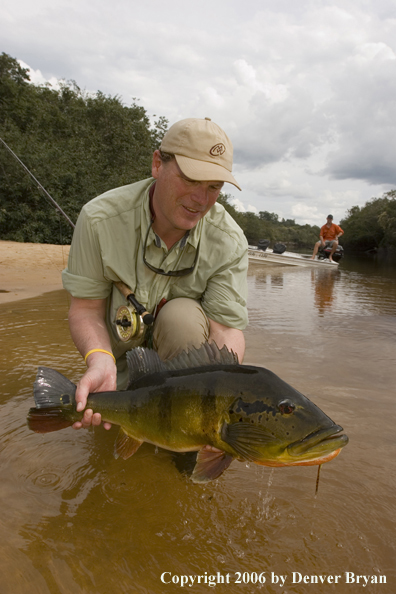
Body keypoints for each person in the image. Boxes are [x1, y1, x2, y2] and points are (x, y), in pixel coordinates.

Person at [62, 117, 248, 430]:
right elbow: (85, 310)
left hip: (186, 389)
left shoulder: (230, 242)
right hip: (115, 374)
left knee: (182, 317)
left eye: (214, 187)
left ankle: (184, 434)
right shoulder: (98, 219)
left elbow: (226, 332)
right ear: (157, 164)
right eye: (190, 179)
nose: (200, 200)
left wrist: (220, 405)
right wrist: (98, 358)